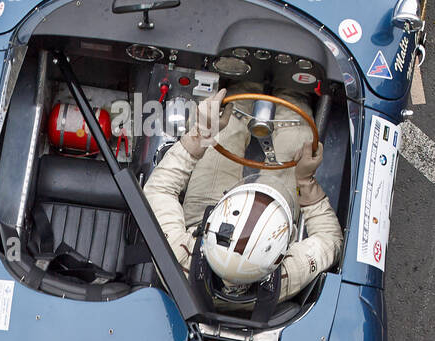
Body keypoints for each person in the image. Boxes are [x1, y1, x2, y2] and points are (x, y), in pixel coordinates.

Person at [143, 88, 342, 308]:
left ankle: (244, 86)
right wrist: (305, 181)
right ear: (279, 258)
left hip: (200, 213)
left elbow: (157, 190)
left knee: (232, 114)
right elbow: (330, 239)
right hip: (280, 201)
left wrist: (201, 132)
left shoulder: (177, 257)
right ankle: (290, 94)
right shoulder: (286, 278)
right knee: (295, 125)